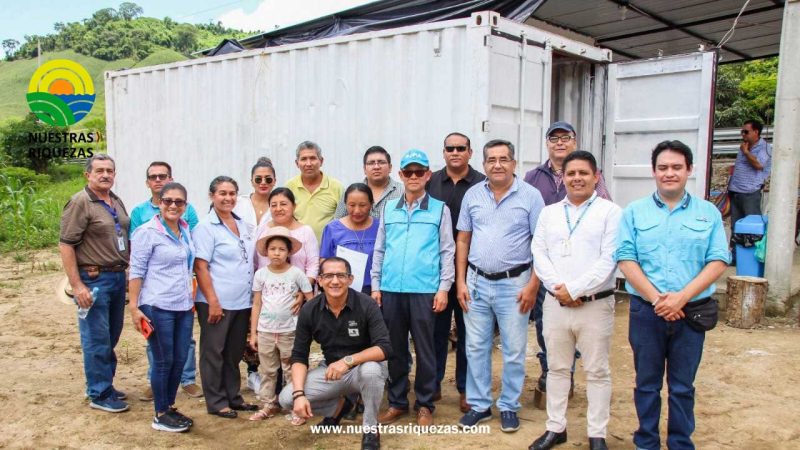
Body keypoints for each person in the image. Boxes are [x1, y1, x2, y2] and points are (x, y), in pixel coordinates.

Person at [616, 140, 729, 450]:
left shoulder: (708, 213)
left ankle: (680, 443)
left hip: (691, 313)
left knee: (682, 387)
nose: (669, 173)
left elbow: (718, 259)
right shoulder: (635, 212)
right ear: (653, 171)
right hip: (646, 312)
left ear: (689, 170)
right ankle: (646, 442)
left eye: (676, 167)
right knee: (646, 384)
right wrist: (658, 299)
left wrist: (681, 298)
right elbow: (626, 259)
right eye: (663, 167)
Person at [529, 151, 621, 450]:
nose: (577, 178)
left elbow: (609, 259)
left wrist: (576, 290)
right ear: (563, 177)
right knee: (557, 368)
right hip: (556, 304)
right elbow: (538, 253)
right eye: (571, 174)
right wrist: (560, 289)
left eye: (584, 173)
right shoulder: (550, 212)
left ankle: (597, 434)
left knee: (596, 370)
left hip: (595, 305)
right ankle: (556, 427)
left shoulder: (610, 212)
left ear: (596, 176)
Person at [455, 139, 544, 433]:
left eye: (504, 159)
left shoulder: (531, 197)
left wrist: (533, 285)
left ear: (514, 164)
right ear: (484, 165)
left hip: (515, 284)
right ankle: (480, 405)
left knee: (514, 349)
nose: (497, 164)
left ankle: (508, 406)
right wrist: (460, 282)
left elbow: (541, 245)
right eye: (491, 159)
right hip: (477, 283)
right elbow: (463, 239)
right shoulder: (472, 195)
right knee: (476, 346)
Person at [523, 121, 611, 402]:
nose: (559, 142)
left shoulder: (592, 180)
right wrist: (548, 282)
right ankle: (550, 373)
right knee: (546, 331)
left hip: (586, 281)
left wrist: (577, 287)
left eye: (566, 138)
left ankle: (572, 379)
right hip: (549, 277)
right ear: (547, 143)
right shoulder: (533, 177)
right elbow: (534, 238)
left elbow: (603, 235)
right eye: (553, 138)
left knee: (593, 354)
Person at [372, 149, 454, 426]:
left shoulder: (440, 209)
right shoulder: (388, 209)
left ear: (428, 175)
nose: (415, 176)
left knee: (426, 349)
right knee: (394, 348)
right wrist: (376, 286)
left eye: (420, 172)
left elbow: (447, 251)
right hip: (392, 290)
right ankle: (397, 402)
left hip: (425, 291)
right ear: (401, 175)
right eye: (409, 172)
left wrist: (444, 288)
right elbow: (380, 250)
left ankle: (424, 403)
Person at [279, 257, 392, 450]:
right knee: (287, 398)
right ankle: (339, 406)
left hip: (363, 368)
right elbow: (299, 355)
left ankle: (371, 429)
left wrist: (348, 361)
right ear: (320, 280)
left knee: (371, 371)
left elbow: (384, 348)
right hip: (332, 371)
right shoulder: (310, 310)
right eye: (329, 276)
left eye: (341, 275)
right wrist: (299, 394)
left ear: (350, 279)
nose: (335, 281)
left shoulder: (366, 304)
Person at [59, 154, 131, 413]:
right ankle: (99, 393)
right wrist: (77, 285)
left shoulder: (115, 199)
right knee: (96, 338)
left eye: (110, 170)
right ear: (87, 174)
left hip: (116, 276)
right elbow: (66, 244)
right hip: (94, 278)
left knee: (111, 335)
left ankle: (105, 385)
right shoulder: (81, 202)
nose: (105, 175)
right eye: (99, 170)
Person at [128, 161, 202, 402]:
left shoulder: (185, 229)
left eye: (178, 202)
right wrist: (134, 307)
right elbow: (136, 271)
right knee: (163, 360)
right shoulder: (147, 232)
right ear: (159, 203)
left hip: (182, 305)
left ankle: (169, 407)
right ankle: (161, 412)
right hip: (157, 305)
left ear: (185, 206)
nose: (172, 205)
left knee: (180, 358)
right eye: (167, 201)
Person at [425, 132, 485, 413]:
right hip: (435, 271)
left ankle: (465, 388)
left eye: (461, 148)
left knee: (467, 331)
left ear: (470, 152)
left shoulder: (483, 183)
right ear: (444, 152)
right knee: (434, 331)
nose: (455, 152)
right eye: (450, 148)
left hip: (471, 270)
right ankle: (433, 382)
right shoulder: (431, 182)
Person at [192, 176, 259, 418]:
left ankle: (234, 396)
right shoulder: (205, 227)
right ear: (212, 196)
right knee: (214, 352)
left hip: (241, 301)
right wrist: (213, 301)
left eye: (232, 193)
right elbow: (200, 267)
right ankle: (217, 401)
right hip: (216, 301)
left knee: (232, 353)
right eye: (222, 193)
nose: (228, 198)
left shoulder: (242, 224)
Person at [248, 227, 313, 421]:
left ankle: (296, 406)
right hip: (266, 330)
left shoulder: (297, 274)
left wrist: (307, 328)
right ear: (266, 251)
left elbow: (311, 300)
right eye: (273, 249)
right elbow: (257, 303)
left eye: (281, 249)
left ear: (289, 252)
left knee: (290, 368)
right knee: (268, 369)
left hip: (289, 330)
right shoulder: (261, 274)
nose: (277, 253)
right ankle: (269, 403)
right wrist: (254, 332)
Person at [321, 183, 380, 295]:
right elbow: (324, 260)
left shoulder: (380, 227)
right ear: (345, 205)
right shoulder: (332, 228)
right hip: (341, 290)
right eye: (352, 205)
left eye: (362, 205)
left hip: (374, 290)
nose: (357, 211)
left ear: (371, 204)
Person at [256, 188, 319, 285]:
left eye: (283, 204)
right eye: (273, 205)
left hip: (299, 291)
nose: (278, 209)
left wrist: (303, 291)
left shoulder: (306, 231)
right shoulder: (263, 229)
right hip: (267, 294)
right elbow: (255, 262)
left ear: (294, 206)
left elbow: (313, 265)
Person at [728, 119, 772, 252]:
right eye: (742, 132)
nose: (743, 135)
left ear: (756, 132)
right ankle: (736, 255)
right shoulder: (744, 146)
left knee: (751, 226)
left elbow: (759, 165)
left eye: (746, 132)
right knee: (736, 225)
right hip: (735, 190)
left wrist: (747, 153)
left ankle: (752, 255)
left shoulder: (764, 147)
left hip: (750, 192)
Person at [286, 141, 344, 241]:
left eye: (312, 158)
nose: (308, 163)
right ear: (297, 163)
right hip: (297, 251)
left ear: (321, 161)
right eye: (303, 159)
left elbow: (344, 222)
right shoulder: (289, 187)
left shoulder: (336, 187)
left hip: (328, 253)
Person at [334, 146, 404, 219]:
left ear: (390, 167)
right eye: (371, 163)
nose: (376, 167)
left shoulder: (403, 192)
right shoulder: (351, 192)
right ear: (364, 169)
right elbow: (337, 223)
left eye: (381, 162)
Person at [234, 157, 277, 236]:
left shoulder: (280, 206)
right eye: (258, 179)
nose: (263, 183)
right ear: (252, 181)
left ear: (274, 181)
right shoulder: (237, 203)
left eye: (268, 179)